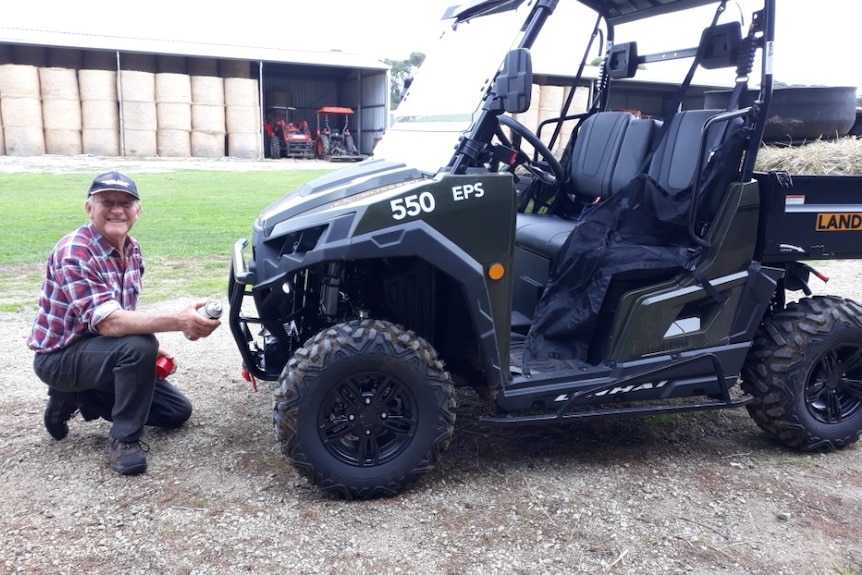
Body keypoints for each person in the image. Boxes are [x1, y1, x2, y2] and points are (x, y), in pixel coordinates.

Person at [26, 171, 221, 475]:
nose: (117, 210)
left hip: (97, 353)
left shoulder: (132, 249)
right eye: (107, 202)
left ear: (137, 211)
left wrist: (149, 354)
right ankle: (124, 439)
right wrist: (180, 321)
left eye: (126, 203)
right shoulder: (75, 251)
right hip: (58, 358)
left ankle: (79, 396)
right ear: (89, 208)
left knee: (175, 412)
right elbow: (110, 325)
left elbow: (122, 317)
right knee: (139, 345)